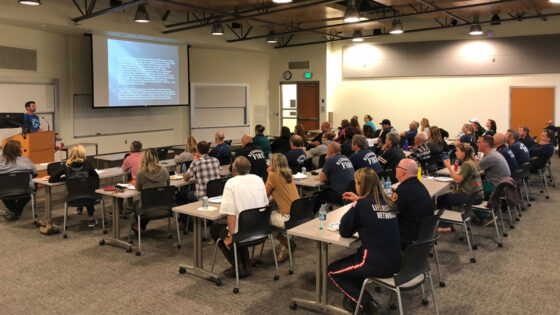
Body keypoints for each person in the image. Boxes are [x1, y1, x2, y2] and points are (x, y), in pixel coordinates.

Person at [328, 168, 401, 313]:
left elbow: (344, 230)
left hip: (375, 263)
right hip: (398, 261)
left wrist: (356, 204)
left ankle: (367, 304)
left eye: (356, 183)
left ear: (360, 185)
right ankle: (357, 297)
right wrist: (359, 200)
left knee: (333, 271)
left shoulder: (361, 205)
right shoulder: (388, 201)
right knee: (352, 264)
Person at [210, 157, 269, 278]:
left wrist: (231, 237)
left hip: (243, 231)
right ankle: (245, 263)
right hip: (260, 229)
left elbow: (230, 213)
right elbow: (266, 205)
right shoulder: (258, 180)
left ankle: (239, 266)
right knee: (237, 229)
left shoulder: (231, 183)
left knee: (217, 230)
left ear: (233, 170)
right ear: (249, 168)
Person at [49, 145, 100, 227]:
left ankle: (80, 207)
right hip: (89, 197)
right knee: (86, 189)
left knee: (79, 189)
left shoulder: (66, 165)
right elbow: (95, 178)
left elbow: (52, 179)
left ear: (71, 153)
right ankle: (92, 219)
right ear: (83, 153)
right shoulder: (87, 164)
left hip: (72, 198)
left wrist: (67, 178)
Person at [437, 143, 483, 232]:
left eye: (457, 151)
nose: (455, 153)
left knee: (442, 199)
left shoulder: (467, 164)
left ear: (464, 153)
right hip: (476, 194)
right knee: (447, 197)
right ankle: (447, 223)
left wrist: (448, 167)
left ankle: (445, 225)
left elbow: (458, 180)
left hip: (470, 196)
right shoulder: (472, 162)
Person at [265, 154, 300, 262]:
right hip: (300, 214)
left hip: (287, 218)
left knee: (262, 219)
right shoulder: (289, 175)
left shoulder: (273, 176)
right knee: (273, 213)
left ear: (273, 164)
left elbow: (264, 197)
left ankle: (285, 242)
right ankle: (285, 246)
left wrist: (269, 173)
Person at [394, 159, 434, 250]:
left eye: (398, 167)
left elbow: (391, 212)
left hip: (407, 237)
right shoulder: (420, 186)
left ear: (403, 172)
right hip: (423, 236)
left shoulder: (403, 190)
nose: (396, 168)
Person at [133, 148, 170, 232]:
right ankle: (140, 226)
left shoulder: (141, 173)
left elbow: (138, 188)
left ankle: (139, 226)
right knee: (148, 202)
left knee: (136, 203)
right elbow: (168, 185)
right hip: (164, 205)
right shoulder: (164, 170)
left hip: (147, 206)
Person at [0, 140, 37, 221]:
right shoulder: (25, 160)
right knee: (33, 188)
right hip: (25, 190)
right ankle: (17, 211)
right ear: (18, 150)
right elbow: (35, 173)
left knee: (3, 190)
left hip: (3, 191)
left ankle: (14, 211)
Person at [175, 141, 221, 206]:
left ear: (197, 151)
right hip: (215, 195)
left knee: (179, 195)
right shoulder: (216, 160)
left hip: (202, 196)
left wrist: (194, 160)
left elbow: (185, 178)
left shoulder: (196, 162)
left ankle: (186, 215)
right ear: (208, 150)